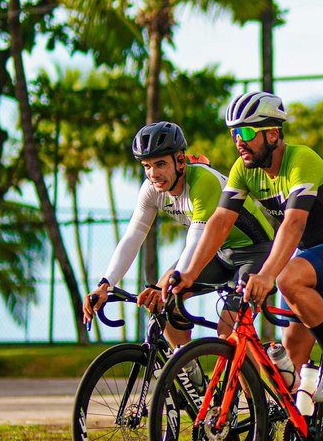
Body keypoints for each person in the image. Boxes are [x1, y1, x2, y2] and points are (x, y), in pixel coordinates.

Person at [167, 92, 323, 441]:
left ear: (274, 135)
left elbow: (293, 226)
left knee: (286, 277)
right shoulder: (243, 170)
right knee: (294, 368)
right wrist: (191, 271)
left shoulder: (302, 161)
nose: (239, 141)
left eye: (246, 132)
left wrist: (265, 275)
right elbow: (219, 222)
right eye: (234, 134)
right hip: (312, 259)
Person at [83, 121, 275, 349]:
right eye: (147, 166)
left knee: (229, 334)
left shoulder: (203, 181)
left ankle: (256, 380)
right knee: (165, 305)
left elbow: (196, 242)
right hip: (217, 252)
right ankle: (187, 372)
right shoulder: (151, 190)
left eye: (160, 164)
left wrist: (163, 285)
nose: (153, 174)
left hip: (255, 253)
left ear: (181, 161)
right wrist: (106, 284)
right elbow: (133, 236)